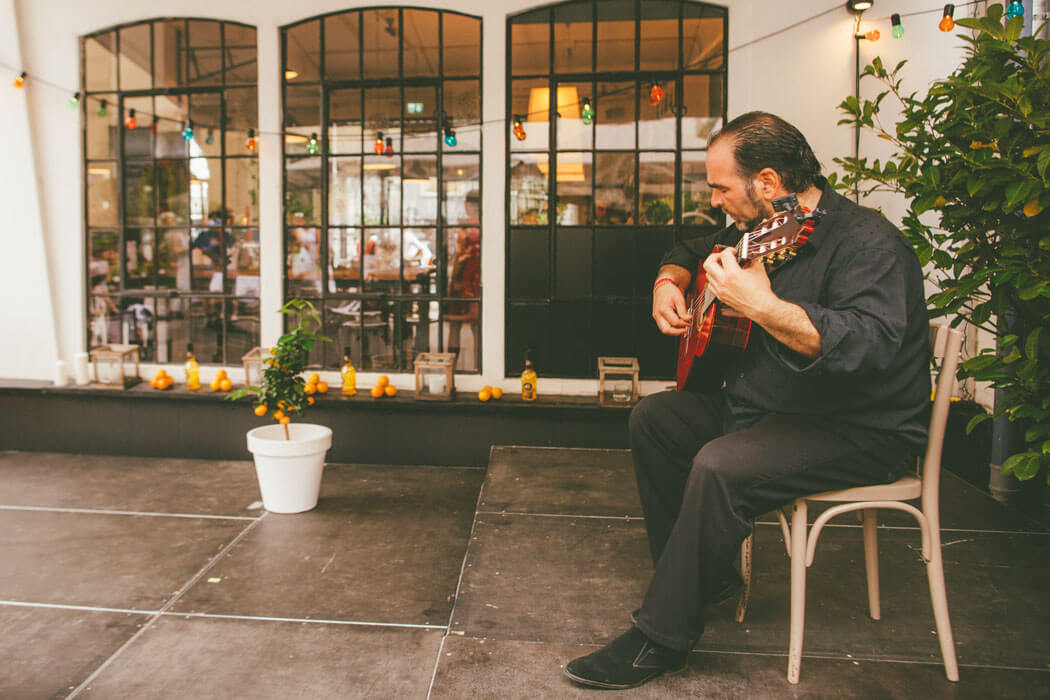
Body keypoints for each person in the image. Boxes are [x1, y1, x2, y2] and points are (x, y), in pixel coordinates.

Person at [564, 112, 931, 689]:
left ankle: (663, 636)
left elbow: (870, 346)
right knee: (656, 418)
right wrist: (669, 282)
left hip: (857, 427)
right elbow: (691, 246)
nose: (714, 202)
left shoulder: (868, 242)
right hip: (774, 408)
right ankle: (702, 582)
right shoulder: (758, 230)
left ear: (766, 182)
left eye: (719, 188)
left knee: (720, 463)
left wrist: (760, 305)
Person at [446, 190, 480, 367]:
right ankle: (478, 367)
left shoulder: (463, 228)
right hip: (478, 280)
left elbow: (458, 258)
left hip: (461, 280)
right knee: (476, 326)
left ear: (467, 206)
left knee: (455, 325)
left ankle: (450, 366)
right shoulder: (486, 225)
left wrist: (452, 282)